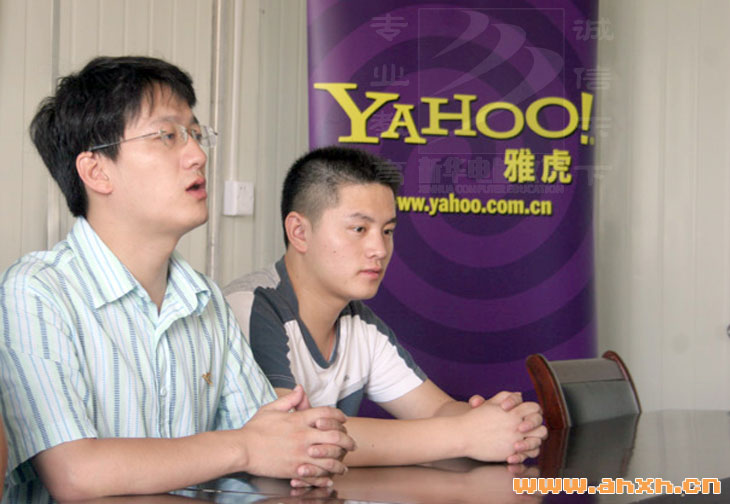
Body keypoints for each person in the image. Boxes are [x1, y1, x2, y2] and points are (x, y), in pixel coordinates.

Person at [0, 57, 355, 501]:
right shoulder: (36, 290)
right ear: (96, 171)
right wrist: (245, 448)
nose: (198, 155)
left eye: (195, 134)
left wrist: (305, 447)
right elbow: (74, 473)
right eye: (167, 136)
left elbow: (268, 444)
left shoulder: (204, 298)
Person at [224, 146, 547, 467]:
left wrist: (504, 423)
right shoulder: (250, 307)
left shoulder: (360, 324)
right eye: (359, 229)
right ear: (299, 232)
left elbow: (437, 410)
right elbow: (295, 437)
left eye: (388, 231)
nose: (379, 249)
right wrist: (465, 434)